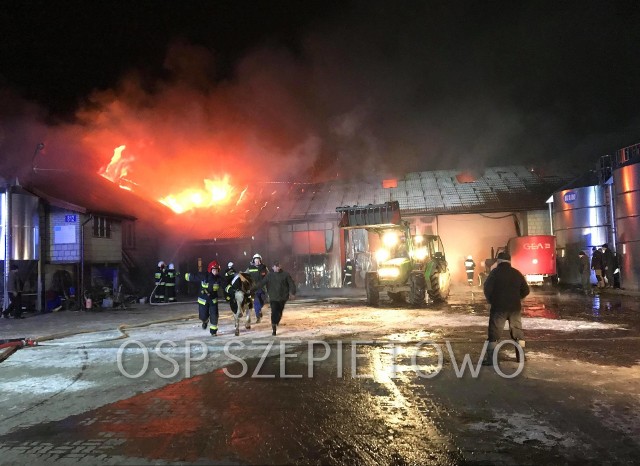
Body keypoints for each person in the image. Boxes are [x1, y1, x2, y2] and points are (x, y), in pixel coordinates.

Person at [482, 252, 530, 365]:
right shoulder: (516, 273)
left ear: (498, 261)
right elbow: (526, 290)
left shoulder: (495, 273)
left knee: (494, 333)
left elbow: (487, 289)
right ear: (509, 261)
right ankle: (521, 357)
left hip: (498, 308)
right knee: (517, 332)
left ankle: (491, 359)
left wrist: (491, 301)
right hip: (515, 308)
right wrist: (517, 298)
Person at [253, 260, 296, 336]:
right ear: (273, 267)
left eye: (278, 266)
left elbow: (291, 283)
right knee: (274, 312)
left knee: (279, 312)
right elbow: (262, 283)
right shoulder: (269, 276)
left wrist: (292, 292)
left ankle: (277, 321)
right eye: (275, 266)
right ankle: (274, 328)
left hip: (283, 298)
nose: (277, 267)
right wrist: (252, 289)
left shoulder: (285, 275)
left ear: (280, 266)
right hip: (273, 298)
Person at [184, 260, 224, 335]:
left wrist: (231, 290)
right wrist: (187, 276)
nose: (215, 272)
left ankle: (213, 332)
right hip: (203, 300)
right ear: (210, 269)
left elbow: (225, 285)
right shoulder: (204, 275)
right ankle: (205, 321)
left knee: (214, 316)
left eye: (217, 270)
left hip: (213, 300)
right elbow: (195, 276)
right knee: (203, 316)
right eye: (214, 270)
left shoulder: (219, 279)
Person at [246, 253, 268, 323]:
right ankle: (258, 316)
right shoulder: (250, 268)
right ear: (253, 260)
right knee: (256, 302)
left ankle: (259, 310)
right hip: (254, 289)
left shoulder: (264, 267)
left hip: (262, 288)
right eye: (255, 260)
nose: (257, 261)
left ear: (260, 260)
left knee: (262, 302)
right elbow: (245, 275)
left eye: (258, 260)